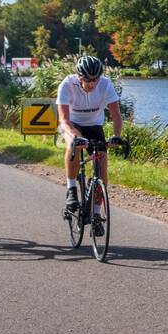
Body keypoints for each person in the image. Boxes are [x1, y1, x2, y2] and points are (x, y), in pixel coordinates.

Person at [57, 55, 123, 234]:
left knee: (102, 171)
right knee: (74, 144)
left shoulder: (105, 84)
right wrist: (74, 136)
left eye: (95, 79)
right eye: (88, 80)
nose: (92, 83)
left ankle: (95, 216)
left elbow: (116, 115)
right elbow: (63, 119)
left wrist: (116, 136)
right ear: (79, 77)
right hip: (72, 125)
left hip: (95, 126)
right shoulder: (67, 84)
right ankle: (71, 190)